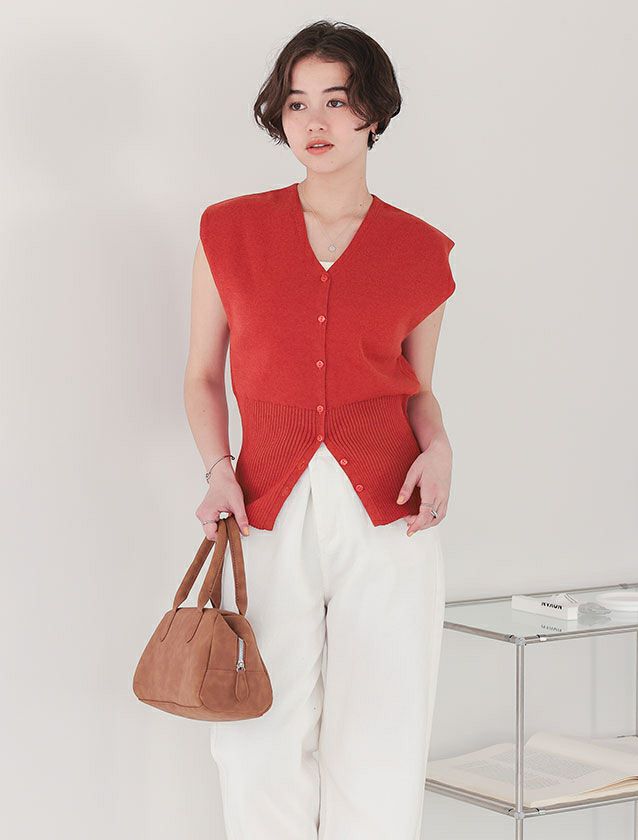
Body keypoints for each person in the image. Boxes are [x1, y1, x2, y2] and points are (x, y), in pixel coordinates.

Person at [184, 19, 457, 840]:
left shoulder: (421, 251)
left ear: (373, 112)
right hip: (263, 508)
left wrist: (440, 447)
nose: (315, 121)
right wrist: (218, 467)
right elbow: (202, 376)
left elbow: (418, 391)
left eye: (336, 101)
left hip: (391, 516)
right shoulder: (228, 231)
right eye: (297, 102)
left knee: (382, 737)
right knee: (256, 738)